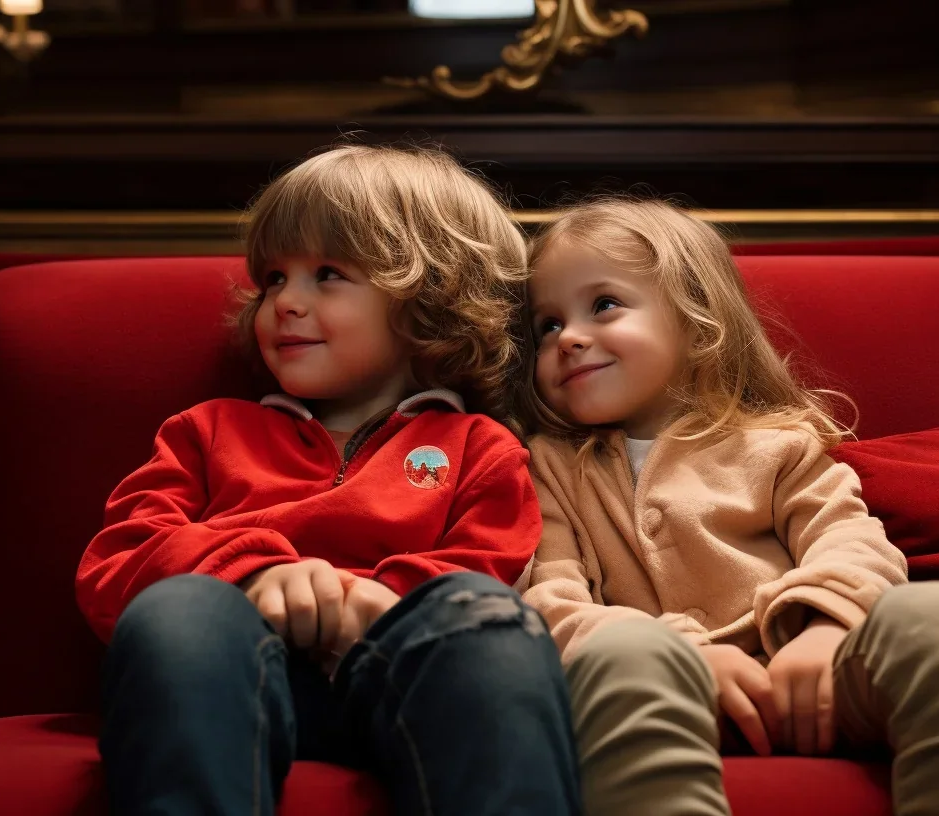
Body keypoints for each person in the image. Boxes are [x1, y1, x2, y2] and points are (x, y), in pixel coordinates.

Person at [76, 144, 580, 816]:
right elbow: (118, 560)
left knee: (486, 621)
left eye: (328, 274)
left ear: (429, 300)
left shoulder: (477, 447)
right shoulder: (206, 431)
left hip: (408, 680)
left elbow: (487, 566)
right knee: (177, 612)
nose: (286, 302)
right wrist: (256, 574)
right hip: (230, 678)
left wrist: (369, 600)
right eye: (274, 279)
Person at [515, 197, 939, 816]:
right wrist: (681, 655)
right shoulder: (544, 466)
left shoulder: (776, 445)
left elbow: (852, 543)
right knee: (621, 655)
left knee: (935, 613)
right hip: (658, 694)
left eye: (603, 305)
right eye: (546, 326)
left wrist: (825, 629)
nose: (570, 338)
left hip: (814, 680)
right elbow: (549, 602)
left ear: (697, 321)